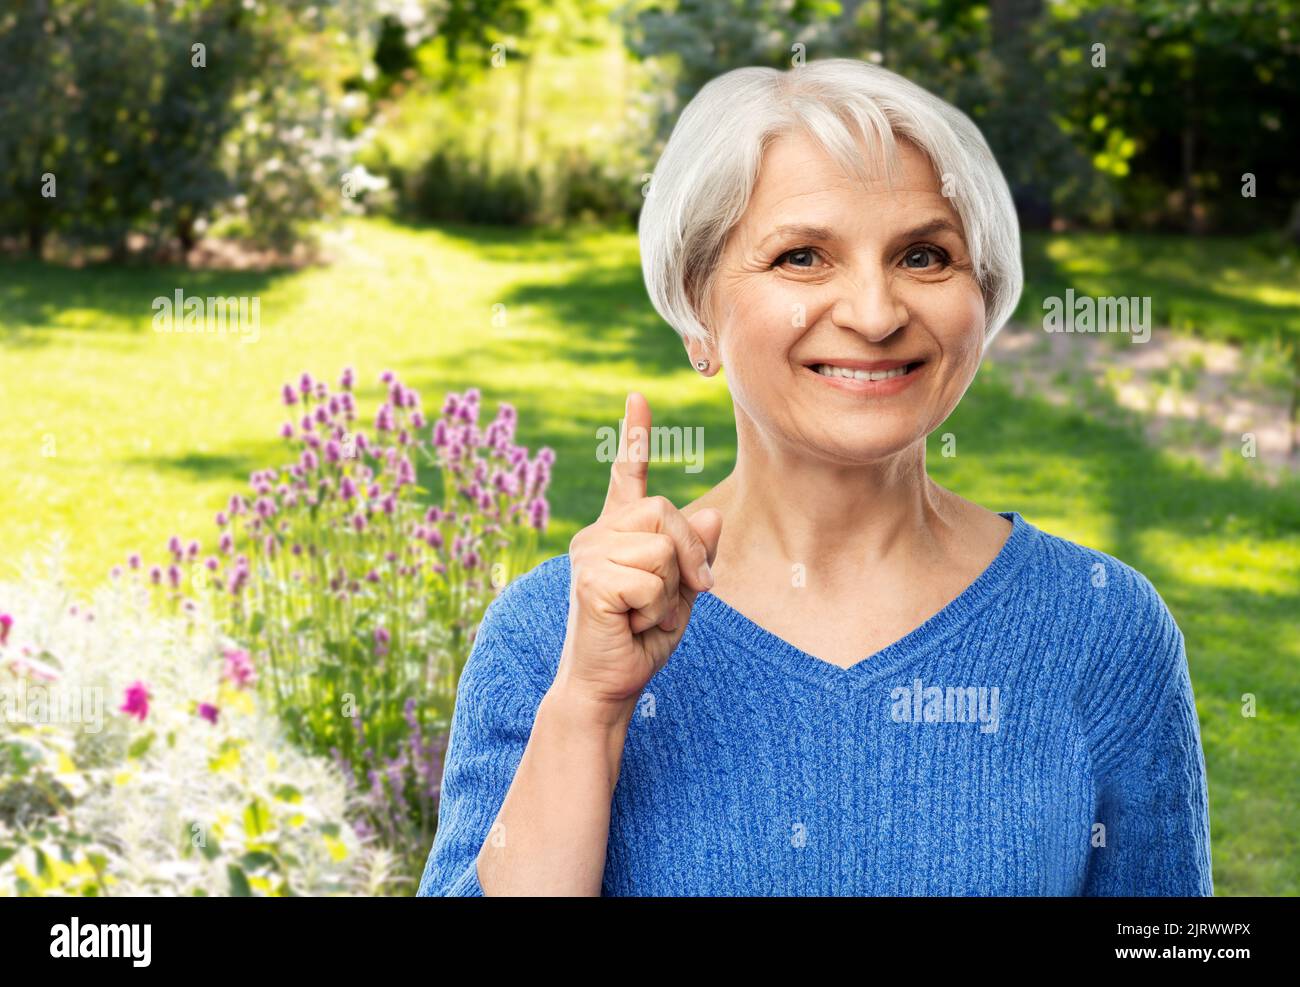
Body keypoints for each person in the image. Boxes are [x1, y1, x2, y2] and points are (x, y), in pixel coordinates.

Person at [416, 57, 1213, 896]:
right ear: (698, 307)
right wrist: (587, 709)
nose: (875, 313)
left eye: (924, 255)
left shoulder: (1103, 625)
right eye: (802, 257)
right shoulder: (553, 636)